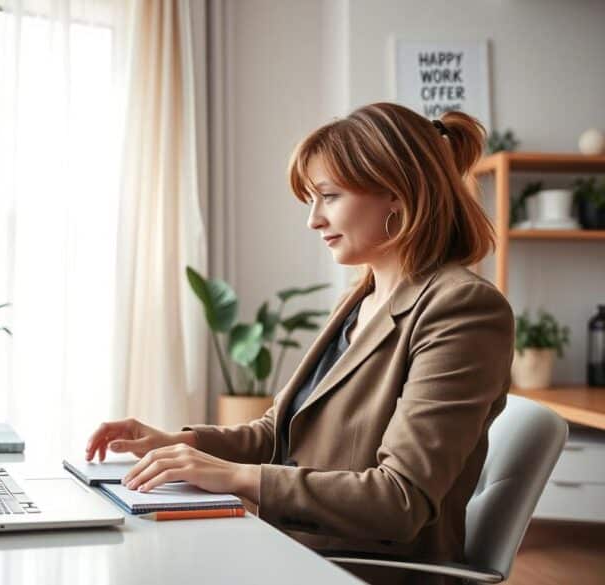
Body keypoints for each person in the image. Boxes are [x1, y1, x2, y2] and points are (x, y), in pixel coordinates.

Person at [85, 102, 514, 585]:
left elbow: (400, 501)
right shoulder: (362, 297)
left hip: (361, 570)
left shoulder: (463, 309)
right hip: (295, 552)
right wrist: (181, 443)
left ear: (397, 194)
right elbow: (279, 432)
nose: (313, 219)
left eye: (328, 196)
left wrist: (233, 477)